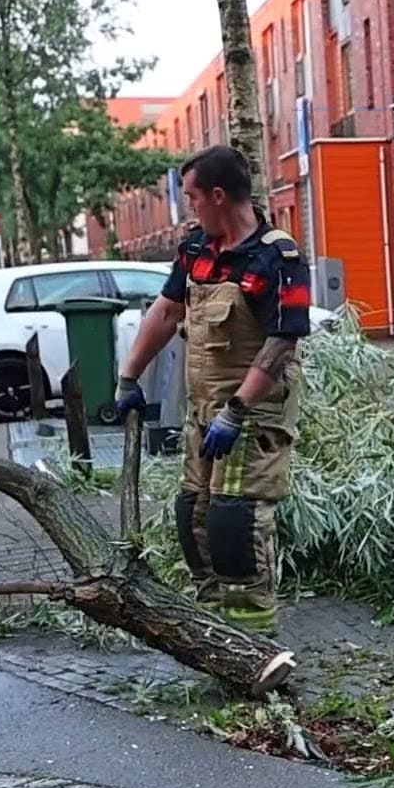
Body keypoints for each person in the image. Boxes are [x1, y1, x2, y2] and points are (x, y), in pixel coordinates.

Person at [113, 146, 311, 635]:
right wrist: (128, 377)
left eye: (191, 196)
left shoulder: (278, 258)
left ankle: (254, 643)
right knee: (193, 517)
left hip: (254, 412)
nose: (188, 206)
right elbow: (165, 312)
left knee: (234, 524)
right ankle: (214, 631)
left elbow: (283, 340)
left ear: (218, 195)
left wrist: (237, 411)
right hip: (205, 413)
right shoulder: (197, 249)